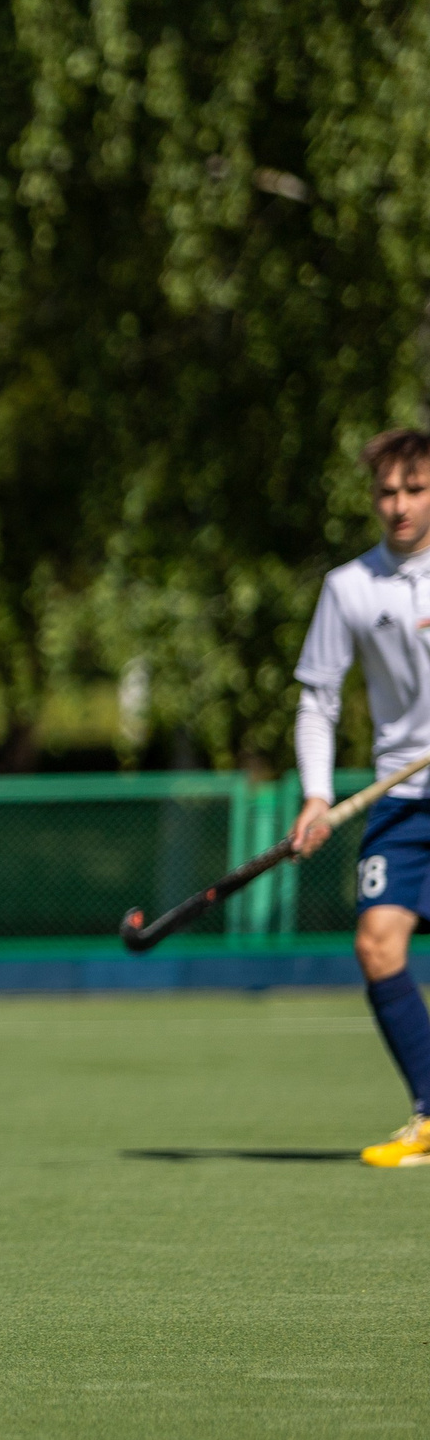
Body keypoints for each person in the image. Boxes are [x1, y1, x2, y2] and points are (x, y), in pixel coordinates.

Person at [290, 428, 430, 1166]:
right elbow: (318, 701)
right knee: (378, 944)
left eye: (415, 489)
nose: (399, 505)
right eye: (387, 492)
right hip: (403, 796)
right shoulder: (350, 586)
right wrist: (316, 795)